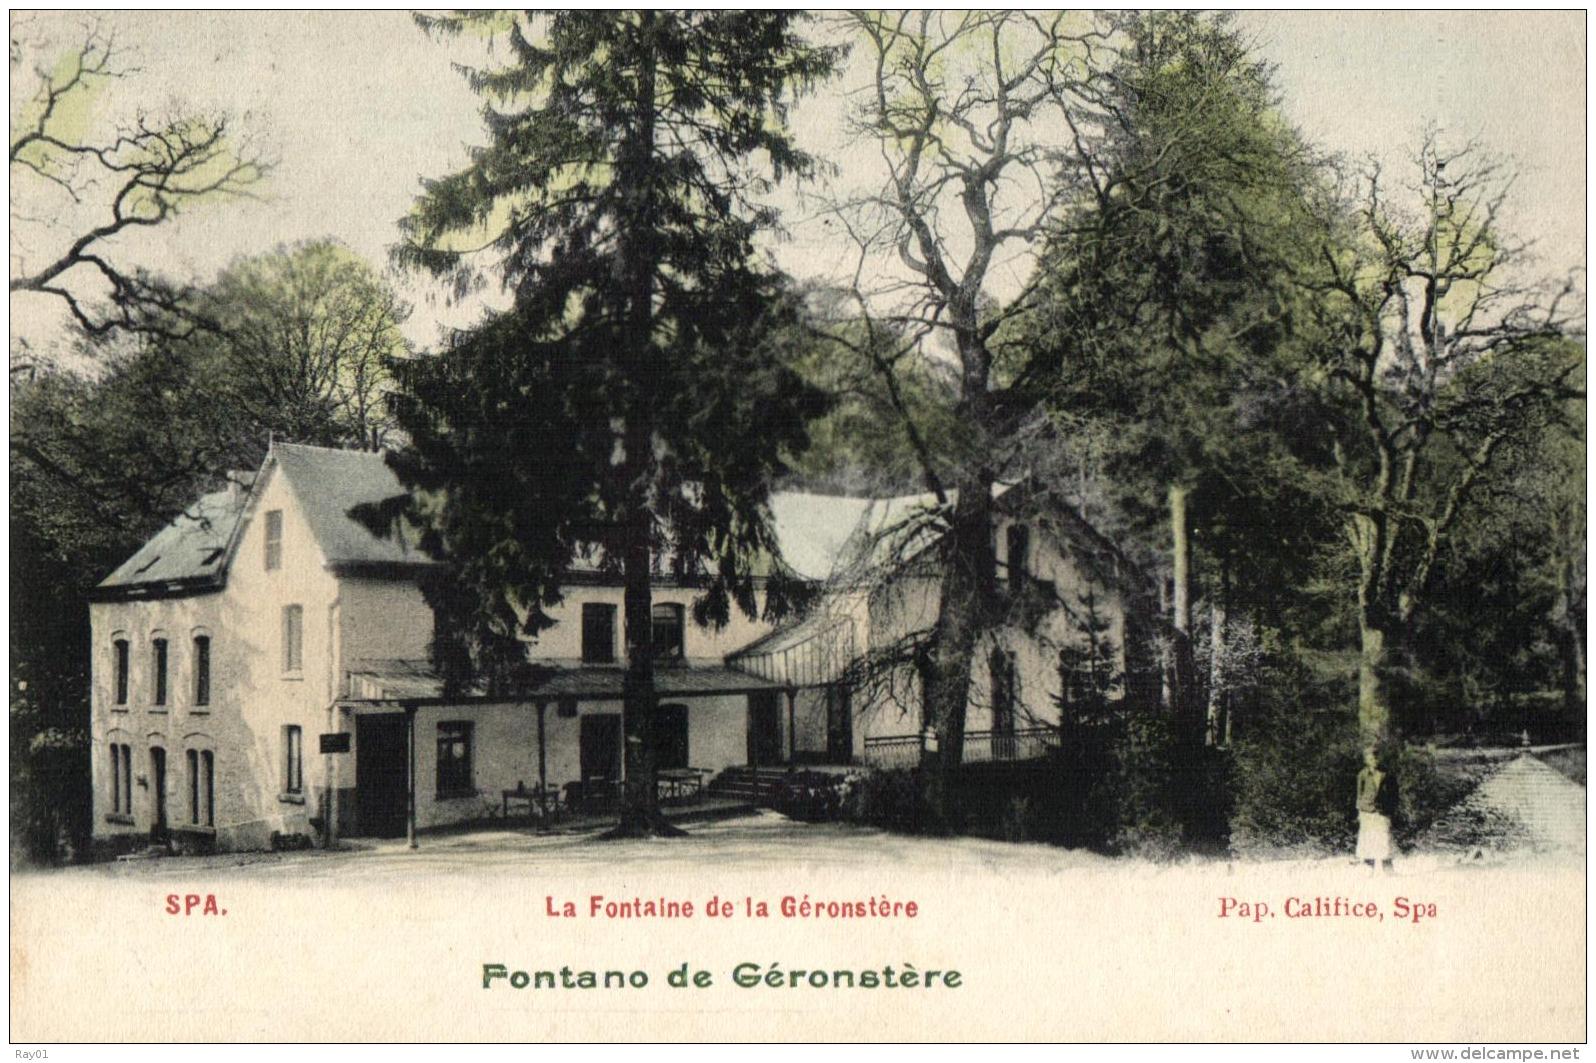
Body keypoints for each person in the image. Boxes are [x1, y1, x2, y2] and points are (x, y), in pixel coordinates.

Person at [1356, 748, 1397, 873]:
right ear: (1366, 761)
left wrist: (1391, 808)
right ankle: (1369, 868)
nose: (1373, 761)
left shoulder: (1387, 774)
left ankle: (1388, 868)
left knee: (1384, 839)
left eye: (1375, 758)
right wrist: (1359, 810)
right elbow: (1359, 793)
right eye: (1370, 759)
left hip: (1383, 810)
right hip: (1367, 810)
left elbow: (1394, 793)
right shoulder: (1362, 774)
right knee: (1367, 838)